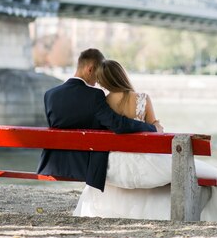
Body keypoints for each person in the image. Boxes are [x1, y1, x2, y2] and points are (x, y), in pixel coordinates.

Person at [73, 59, 217, 222]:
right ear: (122, 76)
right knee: (211, 176)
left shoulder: (101, 102)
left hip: (114, 166)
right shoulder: (142, 99)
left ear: (105, 80)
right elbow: (157, 131)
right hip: (144, 164)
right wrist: (155, 127)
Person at [36, 49, 159, 191]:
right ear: (90, 69)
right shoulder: (95, 95)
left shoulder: (50, 95)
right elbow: (117, 124)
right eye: (99, 74)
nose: (99, 80)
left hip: (54, 164)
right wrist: (152, 128)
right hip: (85, 166)